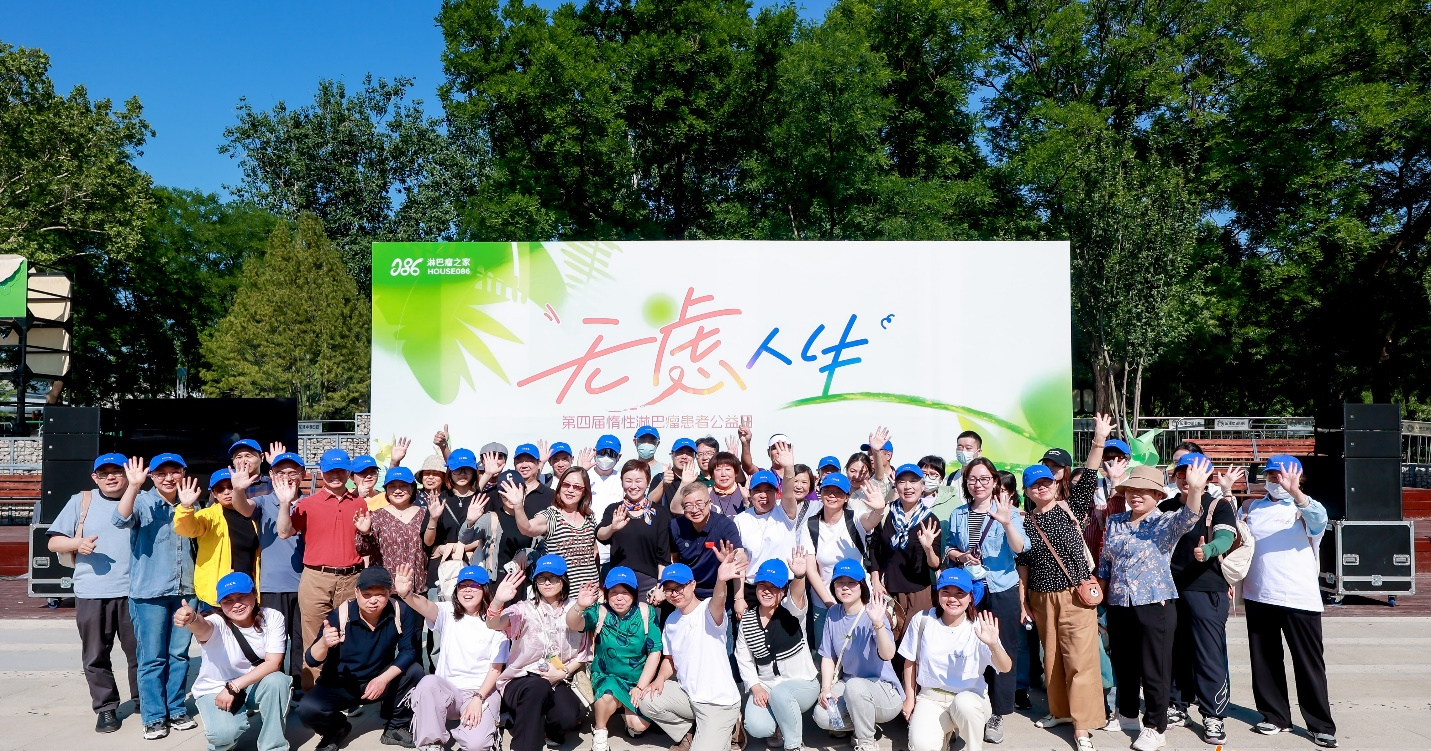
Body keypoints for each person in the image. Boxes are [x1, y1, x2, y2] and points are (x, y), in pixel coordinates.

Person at [1015, 413, 1114, 751]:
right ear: (1027, 491)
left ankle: (1082, 725)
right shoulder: (1025, 521)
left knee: (1080, 660)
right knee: (1053, 658)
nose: (1041, 487)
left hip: (1074, 594)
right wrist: (1023, 600)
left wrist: (1099, 439)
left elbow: (1090, 472)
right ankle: (1060, 711)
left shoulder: (1071, 505)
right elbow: (1023, 563)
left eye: (1046, 481)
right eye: (1034, 484)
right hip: (1041, 597)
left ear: (1057, 483)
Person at [1096, 463, 1202, 751]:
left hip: (1155, 602)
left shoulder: (1165, 522)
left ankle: (1156, 726)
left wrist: (1195, 489)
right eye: (1131, 490)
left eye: (1144, 491)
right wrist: (1100, 589)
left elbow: (1190, 517)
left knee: (1155, 667)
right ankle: (1128, 714)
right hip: (1119, 601)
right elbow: (1106, 559)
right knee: (1124, 662)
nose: (1136, 495)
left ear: (1157, 495)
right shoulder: (1116, 521)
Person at [1241, 455, 1337, 748]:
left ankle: (1320, 725)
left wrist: (1295, 492)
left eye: (1283, 475)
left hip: (1299, 597)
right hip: (1259, 594)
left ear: (1299, 477)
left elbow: (1320, 521)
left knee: (1308, 663)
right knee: (1265, 660)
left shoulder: (1305, 507)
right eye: (1272, 475)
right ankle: (1275, 716)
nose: (1277, 480)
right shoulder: (1252, 507)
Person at [46, 452, 141, 733]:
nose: (111, 477)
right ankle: (106, 708)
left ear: (127, 474)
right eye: (104, 473)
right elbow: (53, 543)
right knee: (96, 654)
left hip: (135, 592)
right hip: (92, 592)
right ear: (94, 478)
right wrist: (76, 543)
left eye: (117, 472)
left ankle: (144, 700)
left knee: (141, 654)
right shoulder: (81, 501)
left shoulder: (142, 500)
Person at [113, 452, 199, 740]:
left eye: (174, 472)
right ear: (152, 476)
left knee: (179, 655)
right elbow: (120, 519)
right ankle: (154, 716)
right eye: (161, 473)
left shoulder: (192, 501)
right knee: (152, 658)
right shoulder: (142, 500)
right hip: (150, 592)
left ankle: (176, 708)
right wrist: (133, 486)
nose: (169, 478)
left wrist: (188, 507)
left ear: (183, 473)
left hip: (186, 590)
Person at [1160, 453, 1243, 743]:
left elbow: (1226, 537)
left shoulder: (1218, 505)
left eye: (1194, 472)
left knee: (1207, 654)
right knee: (1174, 650)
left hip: (1206, 589)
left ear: (1207, 477)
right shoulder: (1166, 506)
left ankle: (1213, 715)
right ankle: (1177, 705)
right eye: (1182, 473)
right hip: (1171, 589)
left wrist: (1208, 550)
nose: (1187, 478)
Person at [945, 457, 1028, 744]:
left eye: (983, 479)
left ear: (994, 481)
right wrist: (961, 556)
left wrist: (1006, 523)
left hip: (1001, 588)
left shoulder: (1008, 512)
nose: (978, 484)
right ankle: (966, 709)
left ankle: (998, 713)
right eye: (972, 479)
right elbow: (949, 547)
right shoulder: (958, 513)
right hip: (969, 589)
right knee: (966, 646)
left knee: (1002, 648)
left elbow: (1020, 548)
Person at [298, 566, 426, 750]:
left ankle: (396, 726)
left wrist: (382, 679)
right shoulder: (339, 616)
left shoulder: (400, 611)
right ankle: (336, 728)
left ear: (389, 592)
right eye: (367, 595)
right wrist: (324, 643)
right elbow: (312, 660)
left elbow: (409, 651)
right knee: (307, 709)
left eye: (380, 594)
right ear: (356, 592)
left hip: (378, 680)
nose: (373, 600)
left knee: (415, 671)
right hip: (342, 684)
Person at [278, 448, 366, 691]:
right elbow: (284, 532)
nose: (335, 476)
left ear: (348, 472)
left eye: (340, 471)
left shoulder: (359, 503)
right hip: (316, 577)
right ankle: (313, 694)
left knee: (348, 636)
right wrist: (285, 504)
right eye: (330, 471)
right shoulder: (307, 504)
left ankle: (343, 692)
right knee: (314, 637)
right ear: (321, 472)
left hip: (351, 577)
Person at [396, 563, 508, 751]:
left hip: (481, 692)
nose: (467, 590)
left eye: (474, 585)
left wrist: (478, 698)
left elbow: (496, 669)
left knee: (476, 745)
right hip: (449, 692)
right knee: (428, 683)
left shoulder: (497, 623)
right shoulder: (447, 612)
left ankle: (483, 726)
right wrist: (406, 594)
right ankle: (432, 743)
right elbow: (426, 606)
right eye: (463, 585)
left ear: (485, 590)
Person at [637, 558, 746, 751]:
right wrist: (659, 679)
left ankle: (730, 728)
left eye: (680, 587)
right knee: (646, 699)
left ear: (693, 585)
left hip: (718, 704)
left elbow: (719, 601)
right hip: (689, 696)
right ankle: (689, 732)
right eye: (669, 589)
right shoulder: (671, 620)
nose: (674, 593)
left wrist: (721, 580)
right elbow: (669, 659)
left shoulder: (708, 609)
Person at [174, 572, 290, 751]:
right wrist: (192, 619)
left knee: (278, 681)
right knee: (223, 735)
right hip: (216, 689)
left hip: (251, 685)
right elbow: (203, 628)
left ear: (254, 594)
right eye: (228, 600)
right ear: (220, 604)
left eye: (242, 596)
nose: (236, 604)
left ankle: (273, 747)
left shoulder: (272, 617)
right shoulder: (216, 622)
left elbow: (273, 663)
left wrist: (234, 686)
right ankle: (226, 738)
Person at [899, 568, 1012, 751]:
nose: (952, 599)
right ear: (938, 594)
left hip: (970, 700)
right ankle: (944, 736)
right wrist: (909, 699)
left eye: (960, 593)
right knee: (921, 745)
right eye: (946, 592)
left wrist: (994, 645)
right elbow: (910, 661)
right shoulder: (923, 620)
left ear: (970, 597)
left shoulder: (979, 626)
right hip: (931, 698)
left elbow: (1005, 667)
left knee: (964, 703)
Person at [485, 555, 590, 751]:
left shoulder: (575, 609)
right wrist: (498, 601)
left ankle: (542, 725)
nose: (547, 582)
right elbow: (494, 624)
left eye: (553, 577)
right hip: (521, 679)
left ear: (563, 580)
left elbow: (583, 654)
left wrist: (563, 673)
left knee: (567, 718)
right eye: (542, 578)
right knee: (538, 687)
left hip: (558, 678)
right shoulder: (524, 609)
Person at [567, 567, 663, 751]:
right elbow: (573, 623)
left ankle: (625, 714)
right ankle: (600, 730)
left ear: (634, 593)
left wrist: (641, 686)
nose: (619, 598)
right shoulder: (599, 611)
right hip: (606, 675)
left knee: (638, 726)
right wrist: (579, 606)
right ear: (606, 593)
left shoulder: (646, 613)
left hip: (636, 679)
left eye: (625, 592)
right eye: (614, 592)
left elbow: (655, 652)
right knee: (608, 692)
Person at [813, 559, 902, 751]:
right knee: (822, 716)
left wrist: (878, 624)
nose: (845, 587)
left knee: (855, 687)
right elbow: (828, 656)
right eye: (840, 582)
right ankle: (864, 724)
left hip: (883, 690)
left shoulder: (873, 612)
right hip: (850, 687)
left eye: (851, 582)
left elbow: (888, 654)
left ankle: (866, 743)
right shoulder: (833, 613)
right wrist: (826, 688)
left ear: (862, 585)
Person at [241, 451, 307, 698]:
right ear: (271, 475)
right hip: (273, 585)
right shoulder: (263, 501)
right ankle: (274, 690)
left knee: (301, 640)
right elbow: (243, 507)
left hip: (306, 584)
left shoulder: (310, 502)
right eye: (280, 472)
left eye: (292, 472)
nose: (287, 477)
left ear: (302, 474)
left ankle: (299, 687)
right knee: (273, 642)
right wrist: (238, 489)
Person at [735, 557, 819, 751]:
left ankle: (794, 745)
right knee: (756, 726)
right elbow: (743, 658)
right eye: (762, 585)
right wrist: (756, 687)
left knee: (782, 693)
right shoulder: (747, 620)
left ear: (783, 590)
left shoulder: (791, 611)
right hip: (767, 686)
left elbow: (797, 594)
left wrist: (799, 576)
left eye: (774, 587)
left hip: (802, 684)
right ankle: (780, 726)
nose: (767, 591)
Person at [797, 472, 876, 647]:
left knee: (860, 652)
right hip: (824, 604)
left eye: (839, 492)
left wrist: (878, 509)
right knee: (826, 653)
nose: (832, 496)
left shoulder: (855, 518)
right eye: (828, 491)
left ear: (846, 497)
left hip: (859, 603)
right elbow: (811, 570)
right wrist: (830, 604)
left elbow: (871, 520)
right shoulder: (811, 525)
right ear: (820, 492)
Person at [868, 464, 941, 649]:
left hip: (918, 592)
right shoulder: (885, 513)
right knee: (887, 642)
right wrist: (875, 580)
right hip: (887, 590)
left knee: (915, 645)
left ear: (922, 486)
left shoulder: (930, 519)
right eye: (902, 481)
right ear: (896, 486)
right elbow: (874, 549)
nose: (908, 487)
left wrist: (928, 549)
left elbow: (935, 564)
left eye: (913, 481)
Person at [174, 468, 260, 608]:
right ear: (213, 493)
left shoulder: (252, 514)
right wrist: (185, 507)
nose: (226, 492)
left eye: (231, 486)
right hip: (218, 595)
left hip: (247, 591)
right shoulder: (208, 515)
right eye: (220, 489)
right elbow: (186, 529)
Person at [504, 466, 601, 588]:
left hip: (590, 592)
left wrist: (600, 586)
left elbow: (594, 552)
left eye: (577, 487)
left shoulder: (589, 516)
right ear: (559, 487)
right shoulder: (551, 515)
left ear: (584, 492)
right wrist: (518, 505)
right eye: (566, 485)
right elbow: (527, 528)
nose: (570, 490)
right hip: (563, 593)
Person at [597, 460, 673, 597]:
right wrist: (612, 528)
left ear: (648, 482)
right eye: (628, 481)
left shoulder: (659, 513)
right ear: (622, 482)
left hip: (649, 583)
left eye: (638, 481)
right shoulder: (614, 509)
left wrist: (660, 586)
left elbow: (663, 555)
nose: (633, 486)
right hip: (619, 582)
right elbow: (600, 535)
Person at [734, 468, 803, 614]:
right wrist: (739, 598)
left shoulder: (785, 512)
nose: (763, 495)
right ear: (750, 493)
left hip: (782, 587)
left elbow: (788, 493)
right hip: (752, 588)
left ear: (777, 493)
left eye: (769, 490)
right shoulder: (740, 520)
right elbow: (739, 562)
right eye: (758, 490)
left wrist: (788, 467)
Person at [484, 443, 554, 578]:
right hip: (501, 570)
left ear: (538, 464)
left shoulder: (551, 495)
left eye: (529, 460)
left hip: (539, 569)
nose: (524, 465)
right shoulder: (501, 491)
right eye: (520, 461)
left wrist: (529, 551)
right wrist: (487, 475)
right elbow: (474, 502)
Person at [668, 483, 744, 599]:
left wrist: (731, 560)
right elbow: (674, 559)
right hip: (689, 592)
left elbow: (740, 555)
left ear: (709, 502)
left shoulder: (724, 525)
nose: (695, 510)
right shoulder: (676, 526)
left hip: (720, 591)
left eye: (699, 504)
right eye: (688, 505)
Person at [357, 467, 432, 584]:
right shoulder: (375, 516)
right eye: (392, 486)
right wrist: (365, 533)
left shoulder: (425, 515)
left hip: (418, 583)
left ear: (412, 488)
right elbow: (363, 550)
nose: (397, 491)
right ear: (386, 490)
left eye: (403, 486)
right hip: (385, 585)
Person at [425, 449, 482, 599]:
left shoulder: (483, 499)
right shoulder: (439, 499)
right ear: (449, 472)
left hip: (473, 567)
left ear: (474, 471)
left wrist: (456, 548)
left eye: (467, 469)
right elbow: (428, 541)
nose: (462, 474)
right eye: (457, 470)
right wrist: (433, 518)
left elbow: (490, 537)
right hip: (441, 570)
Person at [588, 434, 627, 561]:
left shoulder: (623, 479)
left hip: (614, 548)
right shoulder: (584, 476)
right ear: (595, 452)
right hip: (587, 547)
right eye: (602, 452)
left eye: (611, 454)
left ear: (619, 457)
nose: (606, 457)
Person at [708, 451, 747, 517]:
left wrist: (746, 501)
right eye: (718, 469)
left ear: (736, 473)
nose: (723, 474)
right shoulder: (706, 494)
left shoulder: (744, 493)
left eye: (728, 469)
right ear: (712, 474)